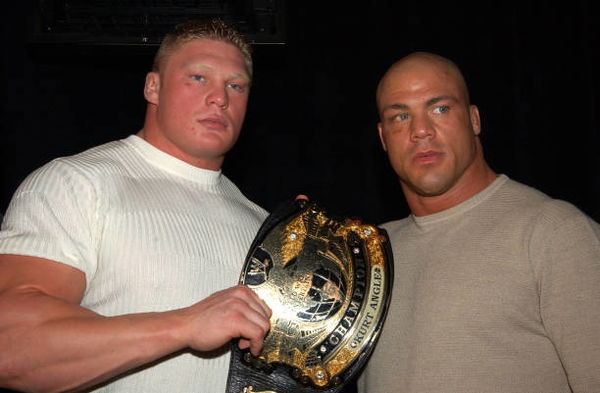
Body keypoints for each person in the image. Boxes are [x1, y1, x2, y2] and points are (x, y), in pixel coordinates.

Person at [0, 19, 272, 393]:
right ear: (153, 87)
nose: (220, 98)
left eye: (236, 85)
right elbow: (12, 346)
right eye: (198, 78)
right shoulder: (77, 183)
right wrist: (185, 326)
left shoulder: (265, 225)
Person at [358, 52, 600, 393]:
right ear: (383, 138)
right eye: (400, 116)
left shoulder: (554, 233)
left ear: (474, 120)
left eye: (440, 108)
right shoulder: (369, 254)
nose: (421, 131)